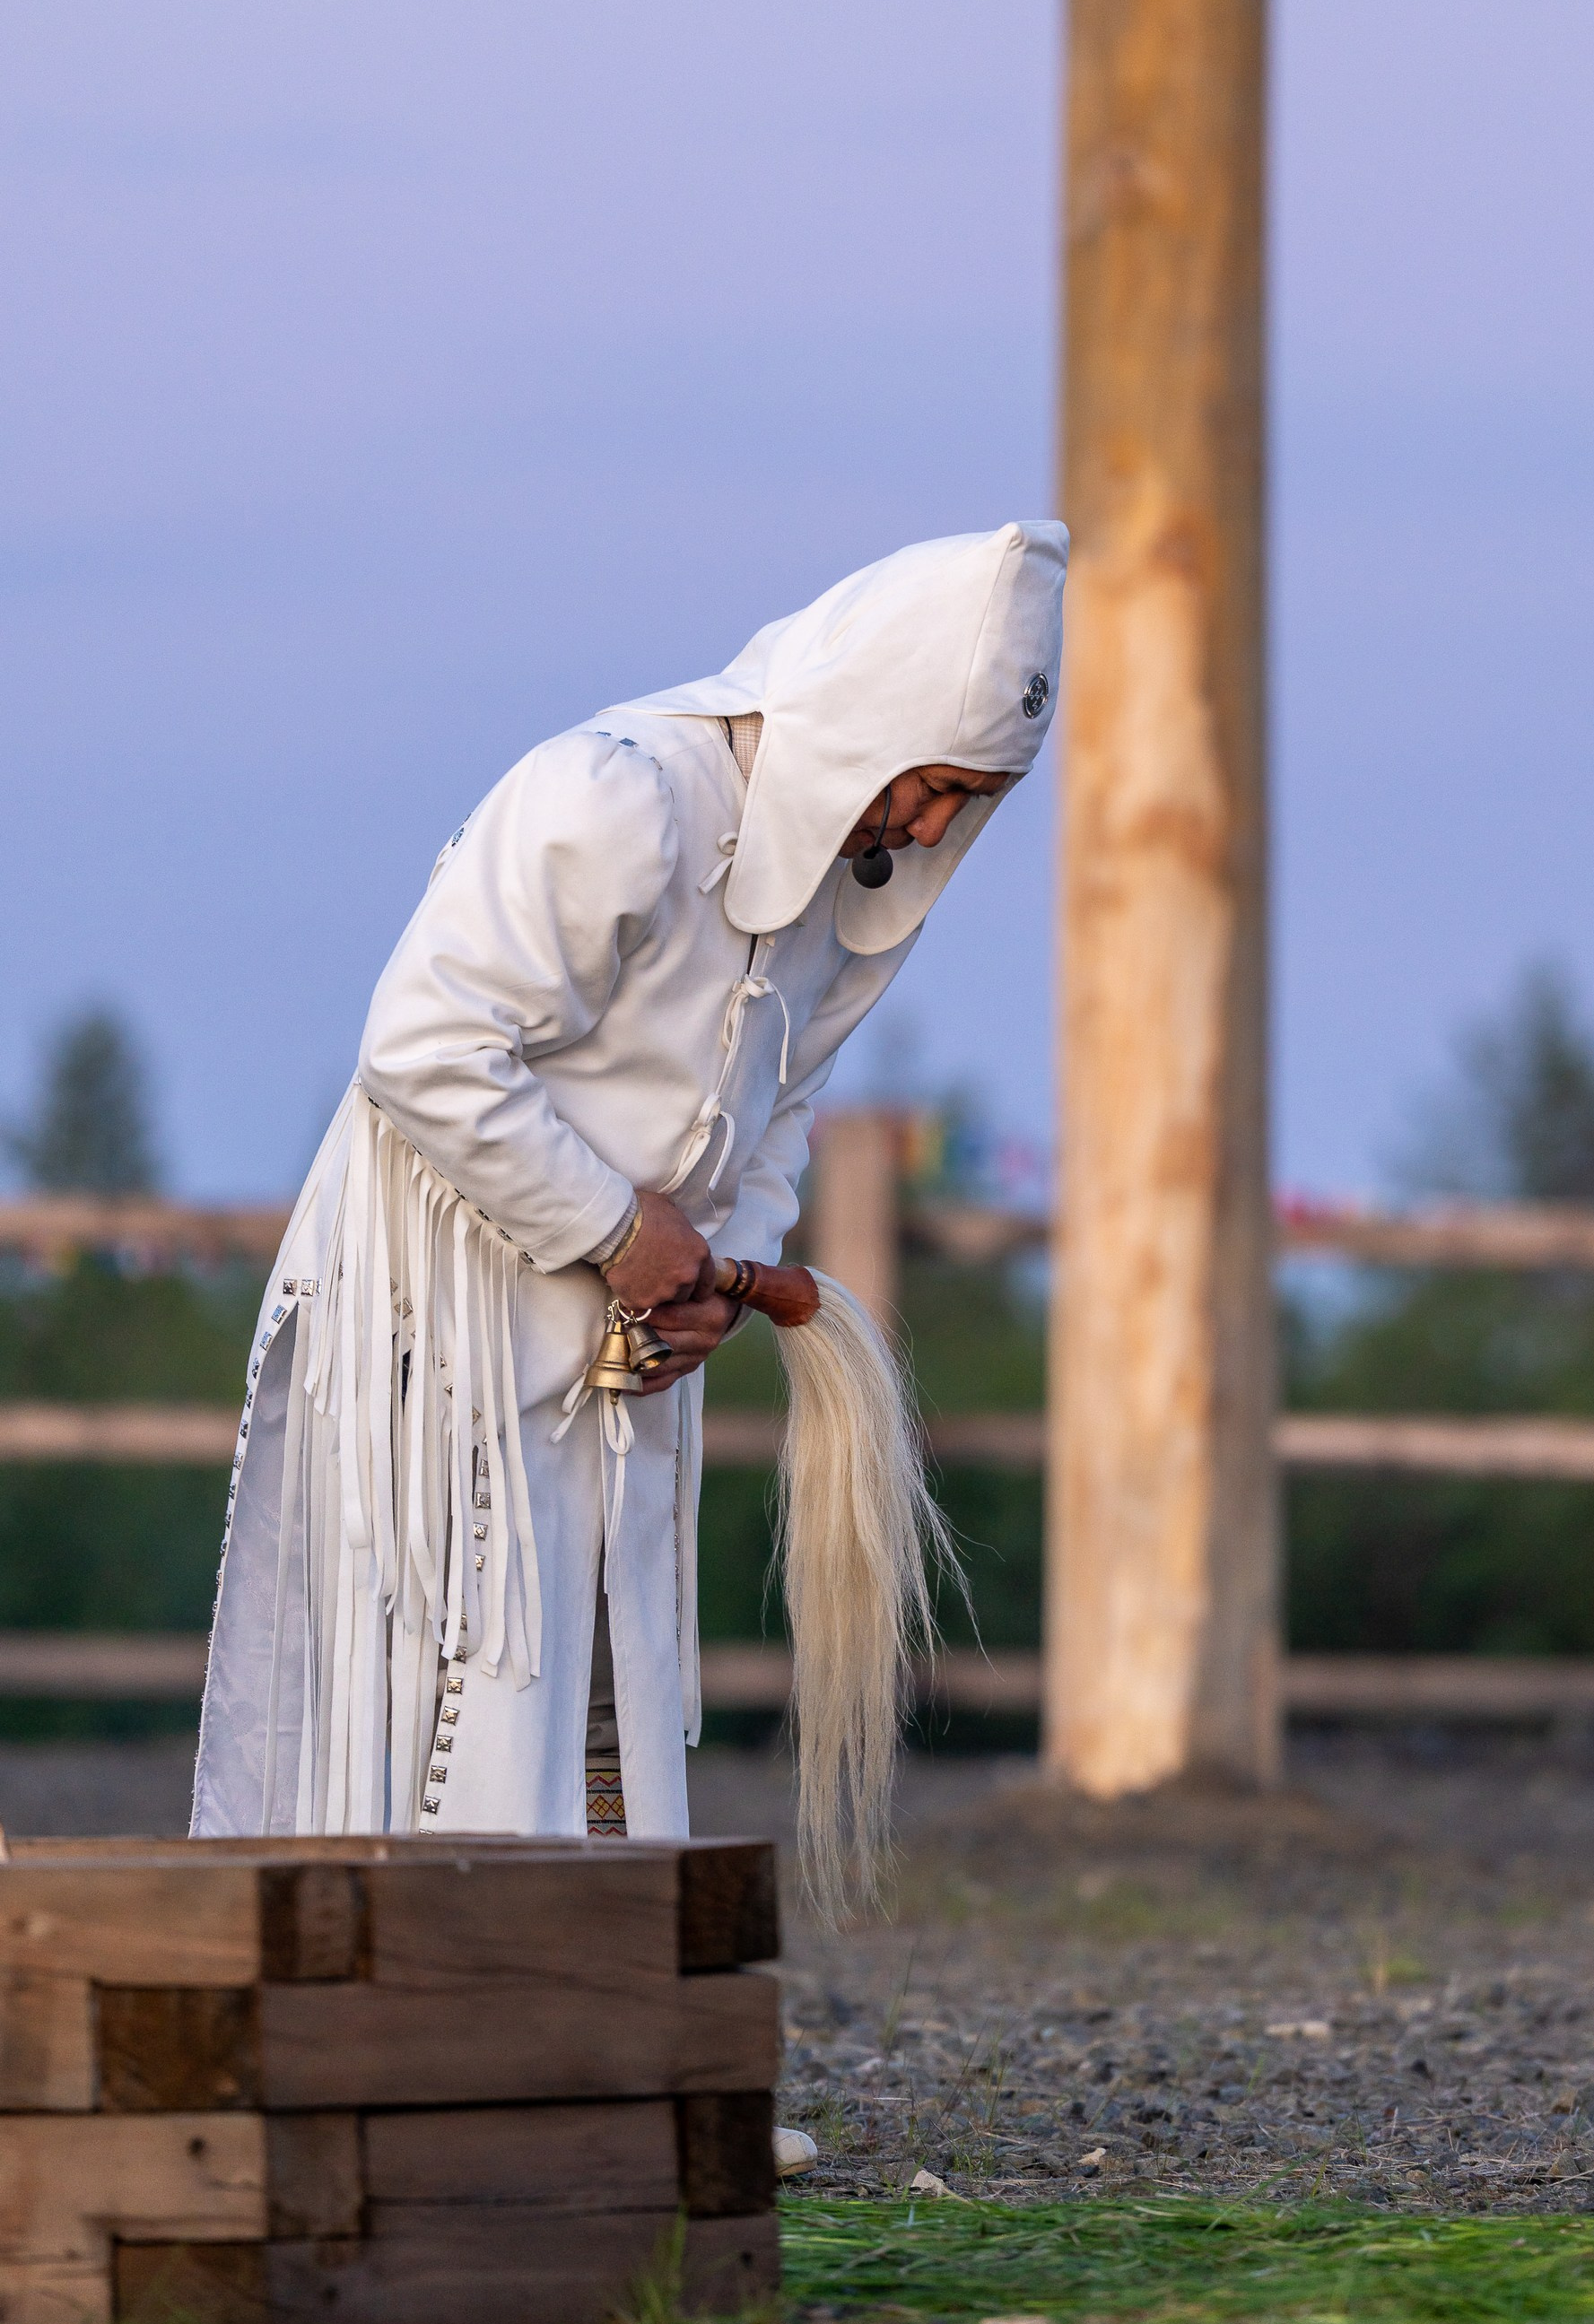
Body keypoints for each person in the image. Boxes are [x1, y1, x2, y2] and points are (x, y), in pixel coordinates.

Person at [192, 521, 1066, 1859]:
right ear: (873, 721)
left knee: (602, 1703)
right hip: (438, 1326)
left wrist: (719, 1272)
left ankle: (576, 2032)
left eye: (973, 802)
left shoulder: (845, 897)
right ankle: (406, 2031)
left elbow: (778, 1112)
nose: (936, 827)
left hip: (625, 1347)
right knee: (444, 1692)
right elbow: (422, 1048)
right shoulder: (618, 795)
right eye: (934, 782)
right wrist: (613, 1229)